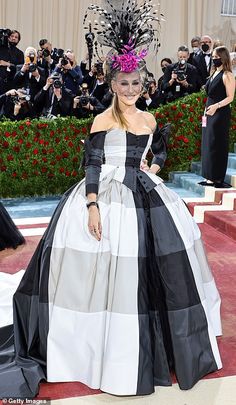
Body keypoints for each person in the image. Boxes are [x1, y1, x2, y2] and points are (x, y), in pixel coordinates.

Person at [0, 2, 222, 399]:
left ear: (144, 83)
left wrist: (154, 168)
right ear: (112, 83)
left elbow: (158, 152)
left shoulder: (151, 120)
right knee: (103, 271)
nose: (131, 90)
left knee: (160, 267)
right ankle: (98, 345)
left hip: (147, 195)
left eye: (137, 83)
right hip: (105, 193)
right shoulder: (102, 120)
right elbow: (92, 164)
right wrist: (91, 205)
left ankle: (156, 340)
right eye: (123, 83)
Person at [199, 46, 235, 188]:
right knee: (208, 144)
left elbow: (230, 97)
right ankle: (209, 177)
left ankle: (217, 178)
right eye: (213, 57)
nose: (214, 59)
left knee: (217, 144)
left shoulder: (227, 75)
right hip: (209, 113)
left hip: (220, 114)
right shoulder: (214, 73)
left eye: (217, 57)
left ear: (223, 58)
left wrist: (216, 106)